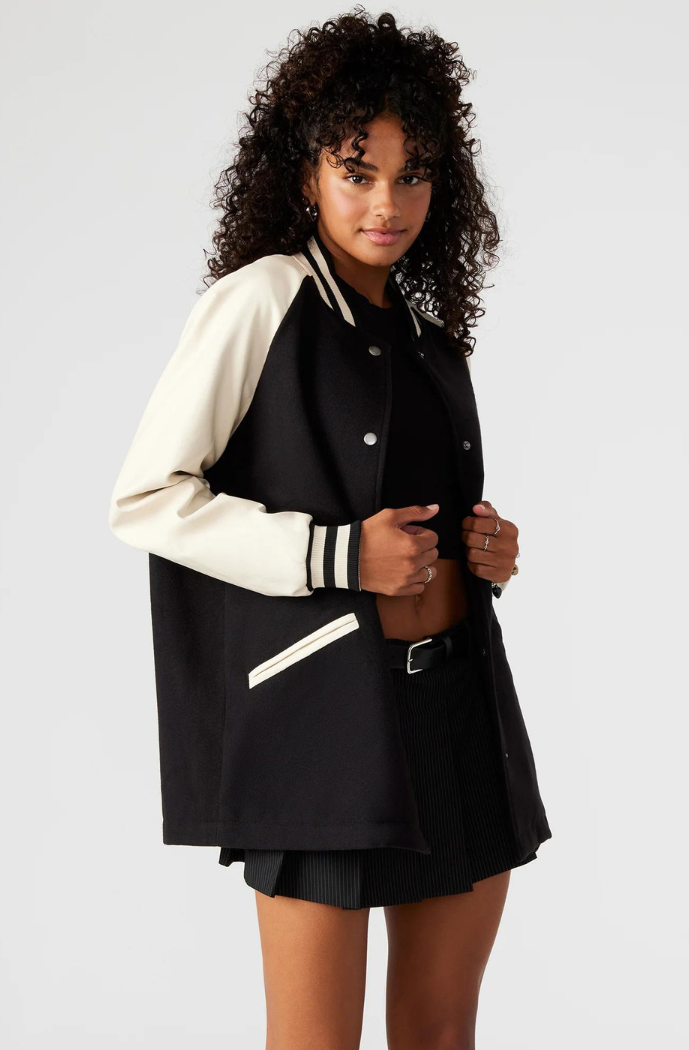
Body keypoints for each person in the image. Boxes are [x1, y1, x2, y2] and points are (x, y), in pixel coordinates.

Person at [109, 9, 552, 1048]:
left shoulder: (434, 344)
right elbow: (147, 497)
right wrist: (338, 554)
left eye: (412, 175)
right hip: (324, 730)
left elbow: (422, 521)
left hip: (459, 716)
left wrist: (485, 553)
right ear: (306, 173)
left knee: (442, 1035)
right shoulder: (261, 302)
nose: (386, 203)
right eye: (358, 173)